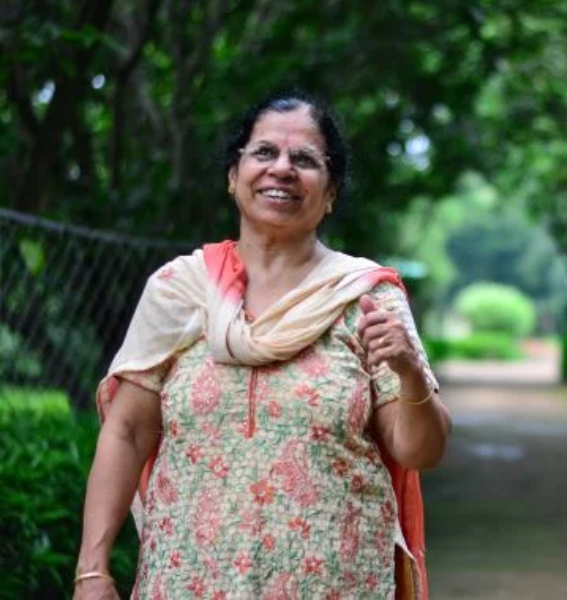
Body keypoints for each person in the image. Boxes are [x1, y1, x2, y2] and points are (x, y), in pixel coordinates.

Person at [74, 93, 451, 599]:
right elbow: (126, 432)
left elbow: (419, 451)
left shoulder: (365, 295)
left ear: (331, 190)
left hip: (333, 585)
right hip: (189, 583)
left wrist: (408, 372)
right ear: (234, 176)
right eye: (264, 153)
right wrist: (92, 571)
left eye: (305, 160)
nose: (282, 169)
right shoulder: (179, 291)